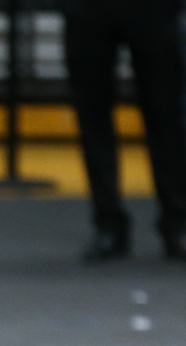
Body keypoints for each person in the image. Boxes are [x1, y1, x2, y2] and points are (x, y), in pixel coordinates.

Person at [59, 0, 186, 259]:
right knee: (92, 115)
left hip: (153, 8)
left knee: (166, 114)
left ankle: (177, 221)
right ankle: (108, 223)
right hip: (88, 9)